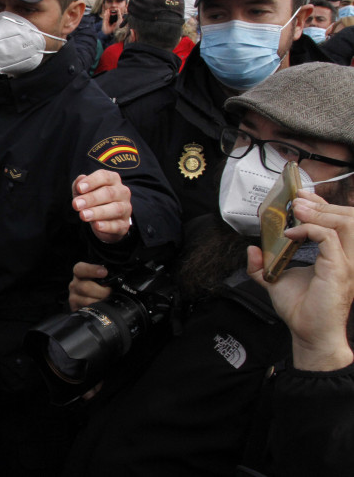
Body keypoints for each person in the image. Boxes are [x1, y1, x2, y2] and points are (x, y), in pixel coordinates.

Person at [0, 0, 181, 476]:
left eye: (27, 8)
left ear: (71, 16)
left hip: (27, 373)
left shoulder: (89, 115)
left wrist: (124, 214)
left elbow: (156, 206)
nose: (6, 22)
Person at [63, 62, 354, 476]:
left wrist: (321, 352)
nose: (252, 162)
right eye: (247, 136)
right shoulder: (211, 238)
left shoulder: (338, 321)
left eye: (288, 151)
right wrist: (110, 306)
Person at [170, 0, 321, 223]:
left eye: (257, 11)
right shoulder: (156, 114)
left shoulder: (342, 119)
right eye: (217, 14)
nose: (237, 28)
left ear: (299, 21)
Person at [94, 0, 196, 215]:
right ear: (178, 38)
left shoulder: (94, 90)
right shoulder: (189, 100)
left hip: (98, 212)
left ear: (132, 34)